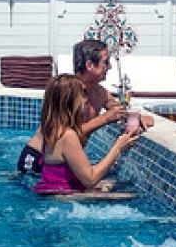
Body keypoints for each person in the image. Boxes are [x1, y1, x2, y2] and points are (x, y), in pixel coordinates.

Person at [17, 39, 125, 173]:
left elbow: (118, 109)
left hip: (64, 161)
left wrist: (136, 117)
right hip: (37, 159)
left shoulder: (100, 93)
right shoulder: (67, 93)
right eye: (106, 62)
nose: (110, 67)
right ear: (90, 65)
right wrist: (105, 119)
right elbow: (63, 133)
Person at [32, 73, 137, 194]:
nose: (87, 99)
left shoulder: (52, 129)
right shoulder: (67, 135)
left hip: (53, 193)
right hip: (64, 199)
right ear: (71, 102)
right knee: (132, 195)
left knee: (119, 185)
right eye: (82, 95)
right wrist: (118, 147)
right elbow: (90, 179)